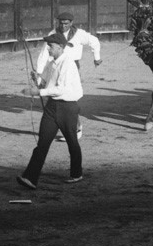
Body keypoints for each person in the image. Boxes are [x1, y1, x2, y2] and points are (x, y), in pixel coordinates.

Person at [18, 32, 84, 188]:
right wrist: (38, 79)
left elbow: (61, 89)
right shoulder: (51, 62)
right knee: (42, 142)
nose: (48, 49)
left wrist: (38, 92)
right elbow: (45, 83)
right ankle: (30, 178)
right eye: (48, 46)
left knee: (72, 142)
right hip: (51, 107)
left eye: (51, 46)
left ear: (60, 47)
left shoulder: (68, 63)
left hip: (68, 107)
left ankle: (76, 173)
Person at [33, 11, 102, 142]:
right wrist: (39, 74)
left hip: (72, 68)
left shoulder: (79, 34)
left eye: (66, 23)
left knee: (67, 99)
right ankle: (63, 128)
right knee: (54, 99)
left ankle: (75, 129)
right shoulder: (53, 34)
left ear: (71, 23)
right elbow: (43, 54)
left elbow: (94, 41)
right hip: (55, 66)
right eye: (61, 23)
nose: (63, 26)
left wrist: (97, 57)